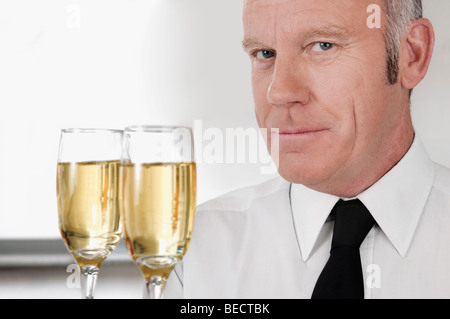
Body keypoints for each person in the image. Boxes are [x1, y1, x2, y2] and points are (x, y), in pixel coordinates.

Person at [165, 0, 450, 298]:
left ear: (411, 55)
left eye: (323, 45)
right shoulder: (191, 253)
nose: (280, 92)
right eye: (265, 54)